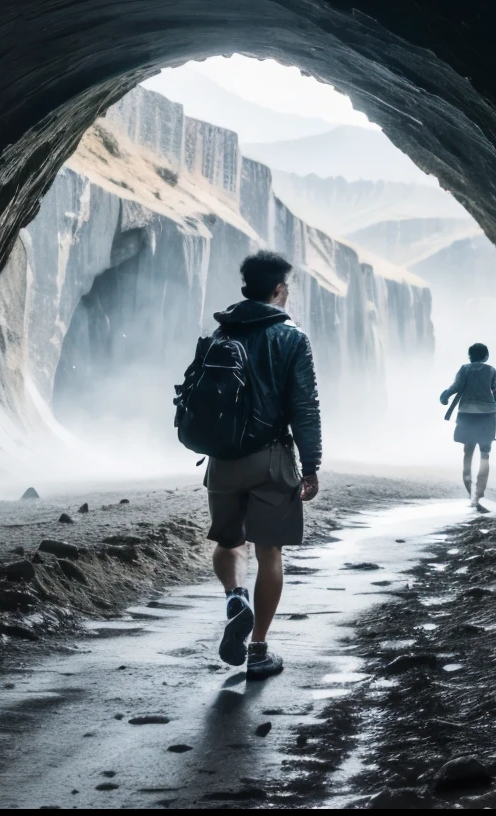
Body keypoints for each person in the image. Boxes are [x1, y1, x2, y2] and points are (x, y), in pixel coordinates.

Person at [204, 250, 321, 681]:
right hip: (271, 458)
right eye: (286, 288)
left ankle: (235, 597)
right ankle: (258, 650)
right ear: (277, 290)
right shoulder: (292, 338)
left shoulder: (222, 332)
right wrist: (311, 464)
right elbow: (304, 406)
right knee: (269, 551)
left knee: (230, 543)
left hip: (223, 459)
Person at [440, 342, 496, 512]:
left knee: (468, 452)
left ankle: (470, 491)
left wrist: (445, 395)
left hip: (467, 414)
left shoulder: (464, 369)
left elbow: (456, 387)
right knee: (485, 454)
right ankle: (479, 494)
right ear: (486, 356)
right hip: (487, 415)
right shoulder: (491, 370)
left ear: (469, 356)